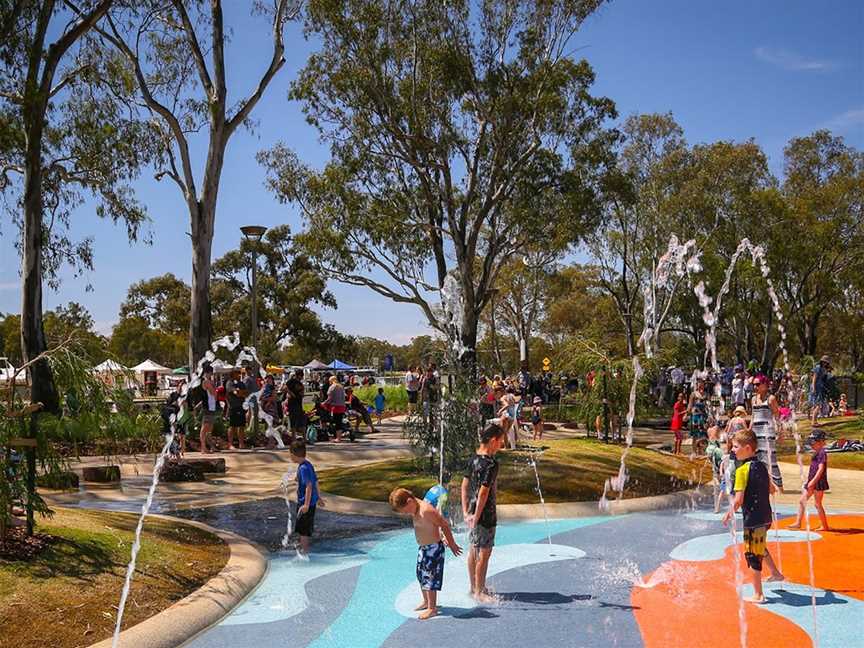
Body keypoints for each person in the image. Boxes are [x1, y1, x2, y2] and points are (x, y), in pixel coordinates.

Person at [722, 429, 784, 603]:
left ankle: (759, 594)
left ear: (747, 448)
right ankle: (776, 574)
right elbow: (772, 489)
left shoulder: (742, 471)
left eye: (735, 447)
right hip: (766, 516)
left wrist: (729, 513)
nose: (732, 450)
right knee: (759, 545)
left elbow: (739, 500)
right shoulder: (762, 466)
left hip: (753, 518)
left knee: (752, 553)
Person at [389, 487, 462, 620]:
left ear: (410, 501)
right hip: (423, 548)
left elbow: (444, 525)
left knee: (430, 577)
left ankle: (432, 608)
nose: (406, 514)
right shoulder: (414, 507)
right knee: (420, 574)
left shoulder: (426, 510)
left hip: (434, 549)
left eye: (405, 511)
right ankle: (426, 601)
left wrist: (451, 544)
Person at [461, 420, 506, 604]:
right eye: (501, 441)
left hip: (472, 511)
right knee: (484, 554)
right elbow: (484, 492)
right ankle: (479, 591)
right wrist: (478, 517)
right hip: (485, 515)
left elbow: (464, 486)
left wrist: (466, 513)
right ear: (493, 440)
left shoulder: (472, 460)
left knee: (473, 550)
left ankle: (474, 587)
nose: (502, 445)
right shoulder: (491, 464)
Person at [790, 430, 830, 531]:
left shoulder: (822, 453)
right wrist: (809, 481)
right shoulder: (817, 452)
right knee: (802, 501)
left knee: (817, 504)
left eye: (814, 443)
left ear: (821, 442)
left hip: (818, 482)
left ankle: (825, 526)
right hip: (812, 481)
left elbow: (821, 469)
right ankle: (798, 522)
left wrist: (813, 481)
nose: (811, 445)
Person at [751, 375, 783, 489]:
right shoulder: (753, 399)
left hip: (767, 432)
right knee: (758, 458)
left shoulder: (771, 399)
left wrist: (780, 432)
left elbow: (777, 416)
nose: (755, 387)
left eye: (758, 384)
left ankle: (778, 485)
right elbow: (753, 416)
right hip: (756, 432)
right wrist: (749, 432)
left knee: (770, 458)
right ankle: (764, 483)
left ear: (765, 385)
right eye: (753, 384)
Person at [289, 440, 321, 554]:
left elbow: (309, 486)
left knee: (304, 531)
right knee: (303, 527)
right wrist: (319, 497)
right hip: (308, 503)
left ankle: (305, 552)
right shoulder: (307, 465)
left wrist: (306, 505)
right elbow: (315, 480)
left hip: (305, 504)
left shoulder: (303, 468)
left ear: (293, 455)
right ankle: (302, 546)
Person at [706, 425, 725, 513]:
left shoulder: (709, 430)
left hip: (710, 451)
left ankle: (717, 507)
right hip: (715, 452)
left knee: (722, 488)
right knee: (725, 489)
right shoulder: (715, 429)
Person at [199, 364, 218, 454]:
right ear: (208, 372)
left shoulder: (209, 381)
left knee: (210, 428)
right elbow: (214, 393)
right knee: (204, 427)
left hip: (212, 406)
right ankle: (203, 447)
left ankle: (211, 446)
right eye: (211, 373)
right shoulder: (206, 381)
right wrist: (214, 386)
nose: (211, 375)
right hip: (207, 407)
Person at [225, 370, 246, 450]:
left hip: (241, 406)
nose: (239, 375)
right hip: (233, 406)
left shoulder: (241, 383)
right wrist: (241, 393)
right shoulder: (229, 383)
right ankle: (230, 444)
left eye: (239, 373)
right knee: (232, 426)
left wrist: (241, 393)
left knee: (241, 426)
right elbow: (236, 393)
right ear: (233, 374)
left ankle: (241, 444)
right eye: (237, 373)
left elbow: (246, 393)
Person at [284, 370, 307, 442]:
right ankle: (293, 438)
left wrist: (302, 394)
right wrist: (291, 393)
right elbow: (285, 387)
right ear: (298, 375)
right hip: (292, 404)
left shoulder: (300, 384)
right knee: (293, 422)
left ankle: (304, 438)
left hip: (299, 404)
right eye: (301, 376)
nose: (302, 377)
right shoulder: (291, 381)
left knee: (301, 421)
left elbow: (302, 393)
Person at [688, 379, 709, 456]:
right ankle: (694, 451)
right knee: (695, 434)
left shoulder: (706, 394)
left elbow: (708, 406)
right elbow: (690, 405)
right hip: (695, 416)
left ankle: (701, 451)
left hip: (703, 416)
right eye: (699, 384)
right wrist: (687, 414)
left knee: (703, 434)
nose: (700, 385)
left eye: (702, 384)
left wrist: (711, 416)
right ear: (697, 385)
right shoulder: (693, 394)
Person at [323, 376, 347, 442]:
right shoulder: (341, 387)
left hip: (335, 407)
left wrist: (324, 403)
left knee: (336, 422)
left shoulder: (332, 387)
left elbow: (329, 398)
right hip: (342, 406)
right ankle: (339, 437)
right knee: (339, 421)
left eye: (329, 381)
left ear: (331, 381)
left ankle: (338, 438)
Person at [810, 355, 830, 427]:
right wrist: (813, 388)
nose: (825, 363)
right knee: (818, 405)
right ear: (822, 361)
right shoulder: (818, 368)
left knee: (817, 405)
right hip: (816, 387)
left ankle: (815, 421)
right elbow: (814, 378)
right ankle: (813, 422)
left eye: (826, 362)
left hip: (819, 387)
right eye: (824, 362)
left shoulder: (822, 368)